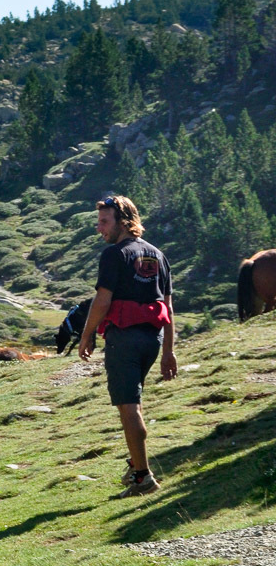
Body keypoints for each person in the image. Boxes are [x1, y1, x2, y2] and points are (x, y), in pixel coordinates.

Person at [77, 194, 177, 496]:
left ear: (123, 221)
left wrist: (87, 334)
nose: (99, 228)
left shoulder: (114, 255)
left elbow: (103, 300)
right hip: (152, 340)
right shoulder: (158, 254)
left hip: (124, 338)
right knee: (133, 402)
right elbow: (168, 307)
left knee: (128, 406)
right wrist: (169, 351)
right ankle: (136, 464)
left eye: (104, 222)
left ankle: (142, 477)